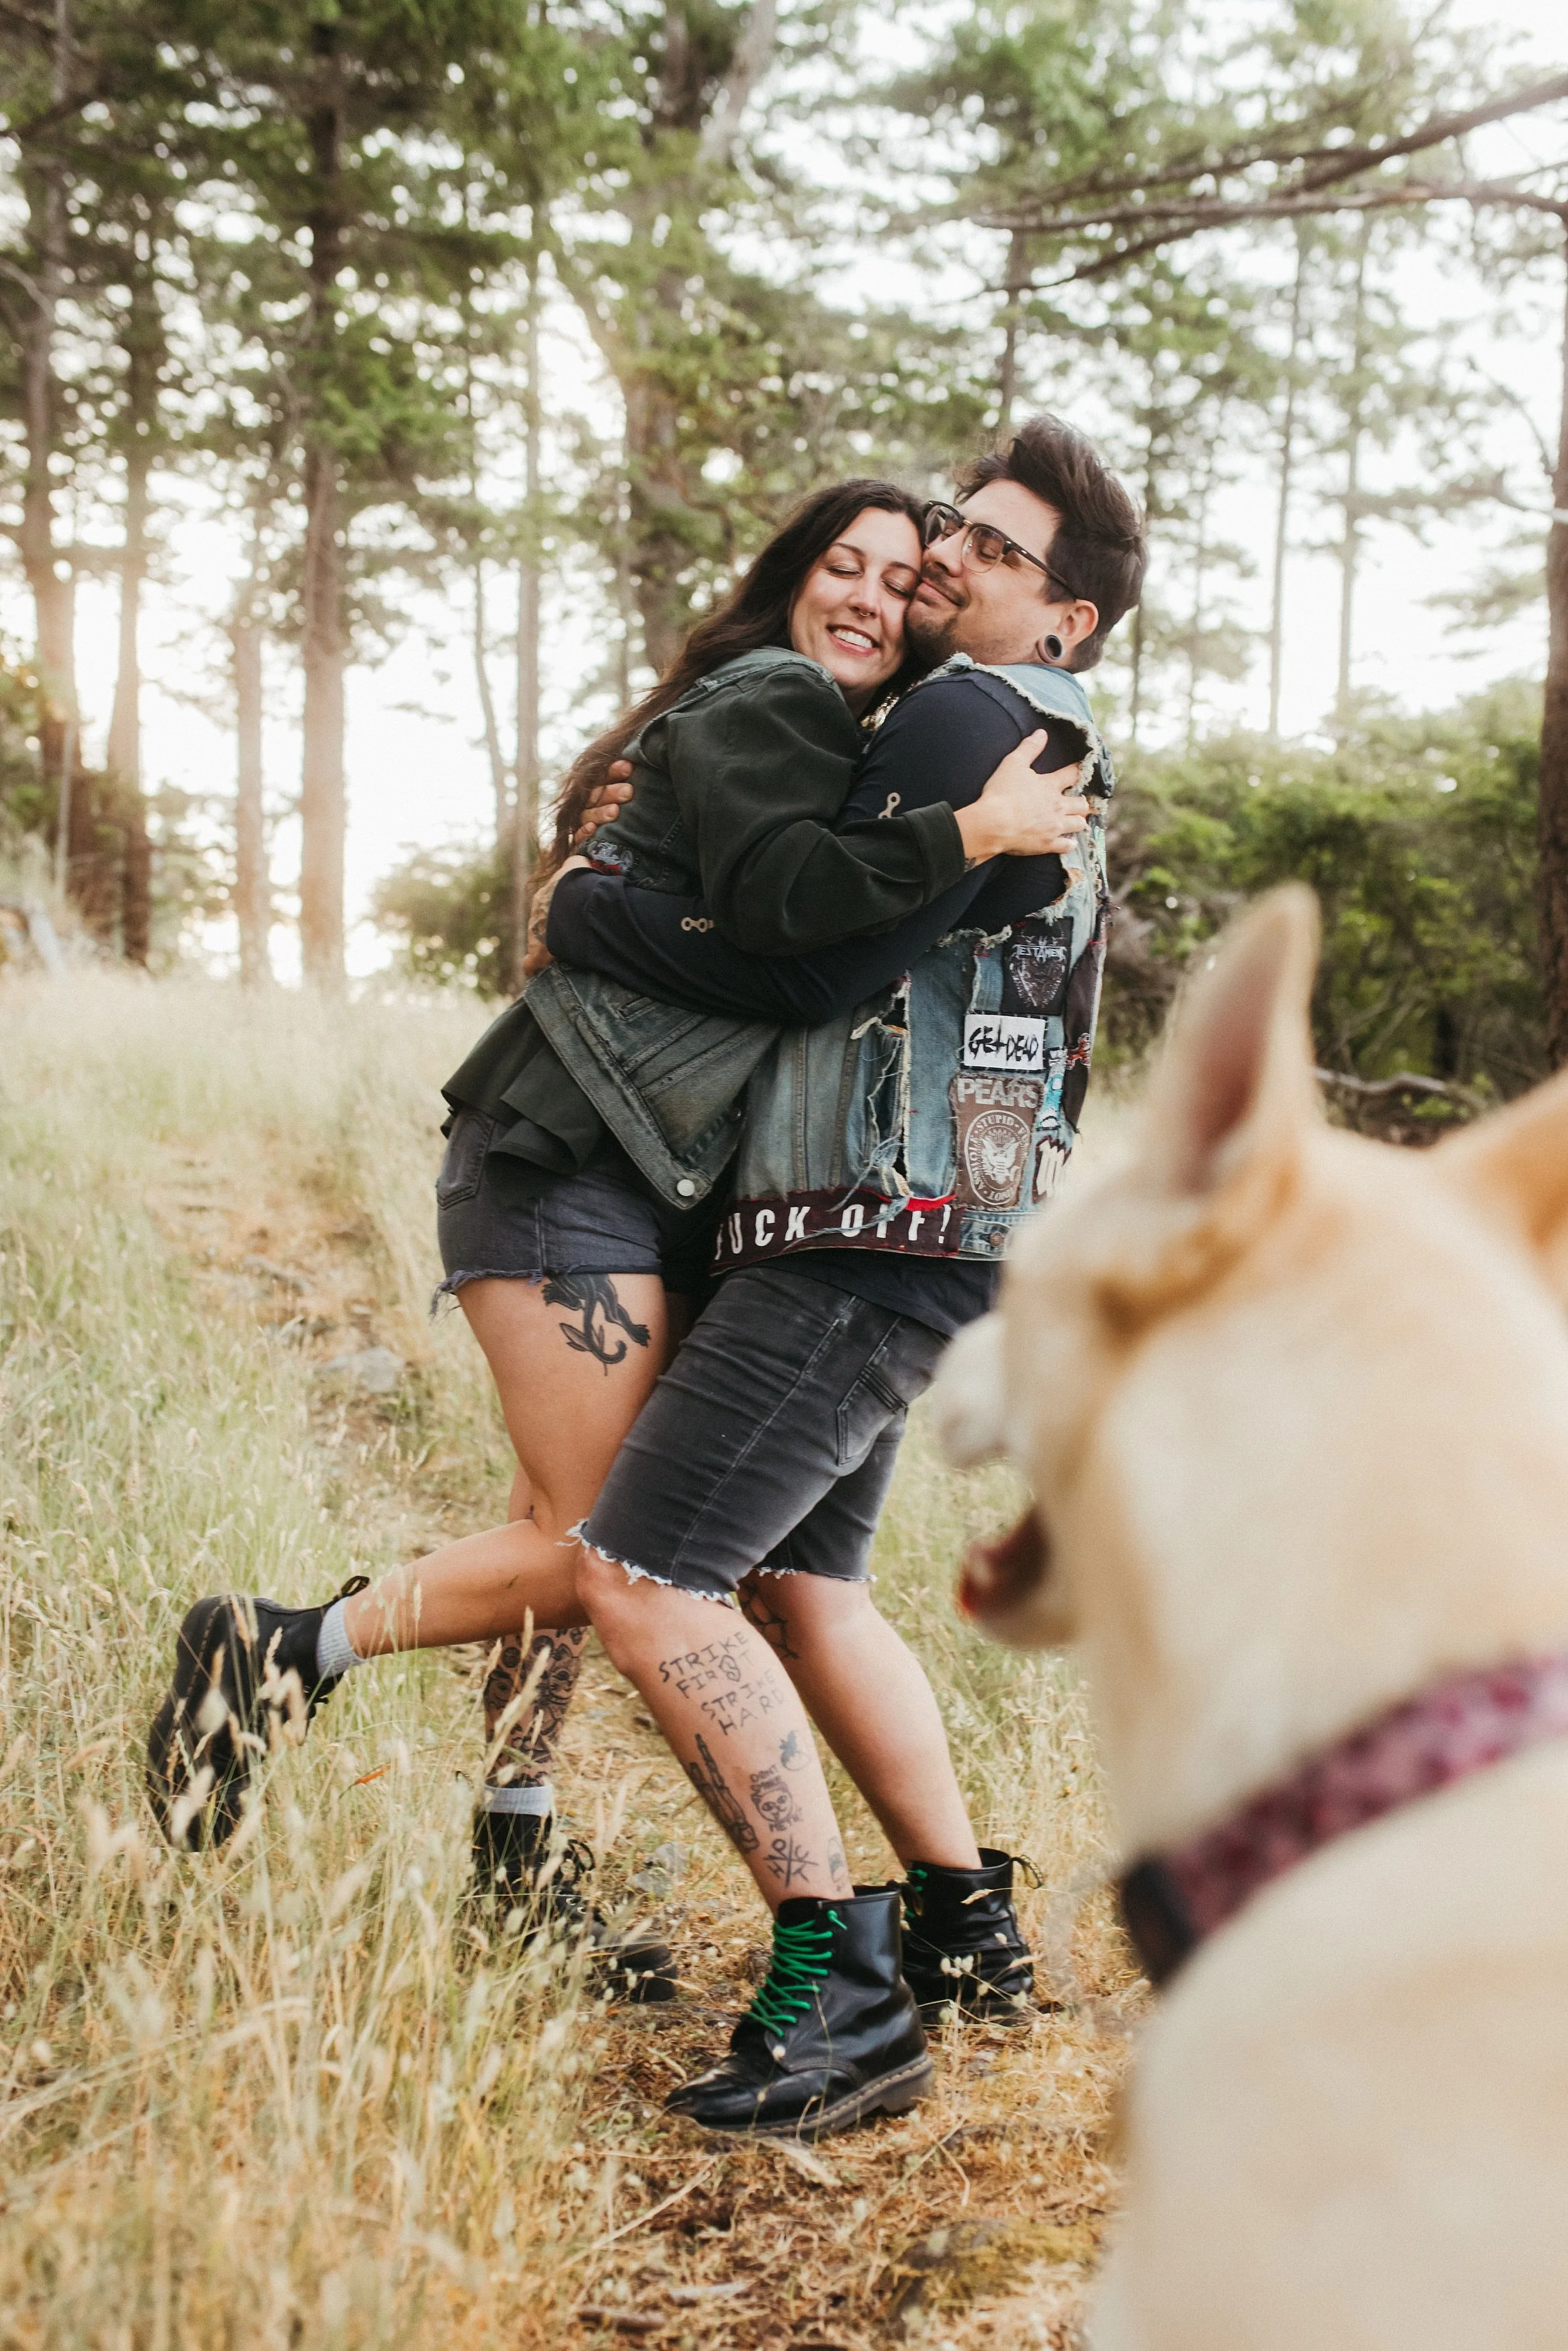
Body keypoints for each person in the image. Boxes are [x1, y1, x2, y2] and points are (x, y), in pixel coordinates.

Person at [144, 478, 1084, 2003]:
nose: (869, 591)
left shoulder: (855, 750)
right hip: (565, 1150)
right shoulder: (766, 702)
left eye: (900, 574)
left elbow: (738, 926)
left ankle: (515, 1850)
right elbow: (779, 948)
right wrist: (968, 832)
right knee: (602, 1549)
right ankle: (282, 1647)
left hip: (649, 1180)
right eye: (837, 564)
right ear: (787, 582)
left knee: (570, 1523)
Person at [528, 411, 1147, 2133]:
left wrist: (588, 922)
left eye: (990, 549)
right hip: (934, 1226)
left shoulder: (966, 714)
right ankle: (961, 1925)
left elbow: (788, 936)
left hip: (865, 1233)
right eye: (954, 524)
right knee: (803, 1589)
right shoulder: (1032, 730)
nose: (943, 556)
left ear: (1063, 616)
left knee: (643, 1578)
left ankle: (839, 1990)